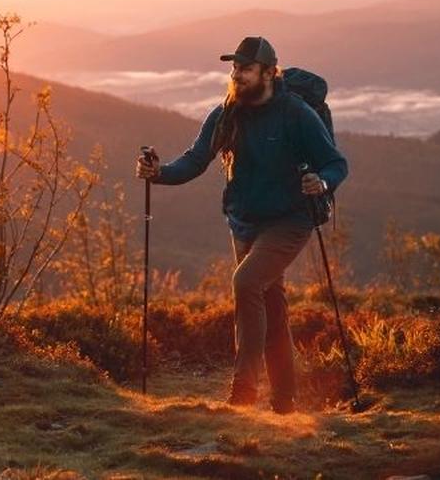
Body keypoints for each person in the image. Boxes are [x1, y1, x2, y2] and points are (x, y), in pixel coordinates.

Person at [135, 36, 348, 413]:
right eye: (234, 68)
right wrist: (159, 173)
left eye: (245, 68)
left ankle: (243, 394)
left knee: (246, 282)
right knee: (271, 306)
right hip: (244, 222)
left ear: (268, 72)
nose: (237, 75)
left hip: (290, 218)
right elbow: (195, 160)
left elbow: (335, 162)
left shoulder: (295, 113)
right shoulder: (226, 112)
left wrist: (323, 182)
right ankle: (285, 402)